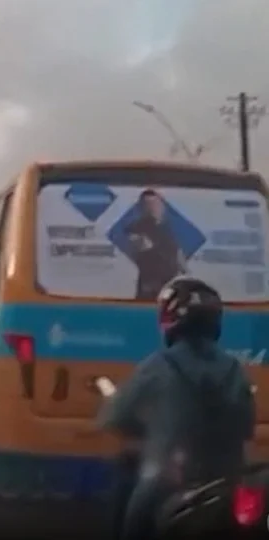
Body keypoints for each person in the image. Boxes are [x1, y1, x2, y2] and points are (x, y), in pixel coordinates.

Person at [98, 276, 255, 540]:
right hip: (227, 488)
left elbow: (115, 417)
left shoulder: (159, 365)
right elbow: (246, 426)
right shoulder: (234, 370)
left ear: (169, 318)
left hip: (167, 486)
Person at [124, 189, 187, 300]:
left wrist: (184, 272)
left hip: (172, 286)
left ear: (163, 207)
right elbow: (141, 248)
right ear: (141, 208)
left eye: (155, 204)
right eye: (147, 205)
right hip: (150, 287)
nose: (152, 208)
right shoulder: (136, 228)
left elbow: (177, 252)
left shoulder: (169, 228)